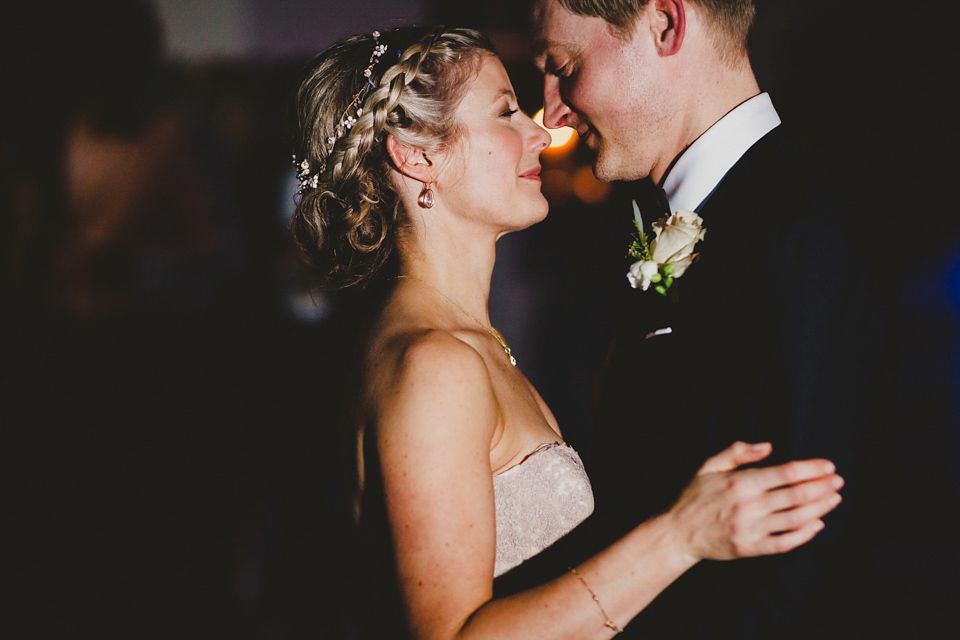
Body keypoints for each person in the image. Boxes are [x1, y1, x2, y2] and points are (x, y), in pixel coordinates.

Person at [292, 26, 844, 639]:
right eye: (506, 112)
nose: (541, 131)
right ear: (418, 155)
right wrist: (680, 537)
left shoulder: (469, 345)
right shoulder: (434, 363)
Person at [533, 1, 891, 637]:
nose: (552, 109)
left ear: (666, 25)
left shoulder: (799, 237)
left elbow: (805, 569)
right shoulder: (666, 222)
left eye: (564, 66)